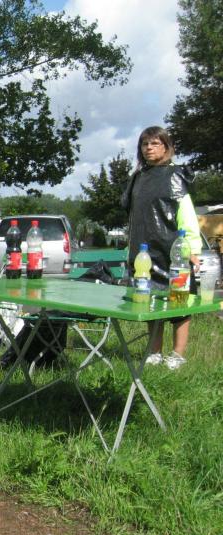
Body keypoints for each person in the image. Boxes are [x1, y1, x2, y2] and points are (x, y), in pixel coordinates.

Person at [122, 125, 202, 370]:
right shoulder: (137, 178)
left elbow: (187, 215)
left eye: (155, 143)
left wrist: (192, 249)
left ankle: (177, 355)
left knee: (179, 303)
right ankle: (154, 352)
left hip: (173, 251)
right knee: (150, 302)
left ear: (166, 147)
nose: (149, 148)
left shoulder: (176, 175)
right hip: (144, 252)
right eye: (145, 144)